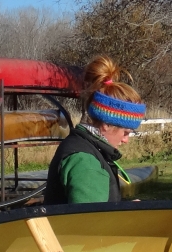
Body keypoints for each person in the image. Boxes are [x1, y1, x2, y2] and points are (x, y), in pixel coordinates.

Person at [46, 56, 146, 205]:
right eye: (125, 132)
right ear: (106, 124)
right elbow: (90, 223)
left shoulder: (86, 148)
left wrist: (126, 208)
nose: (126, 140)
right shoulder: (86, 163)